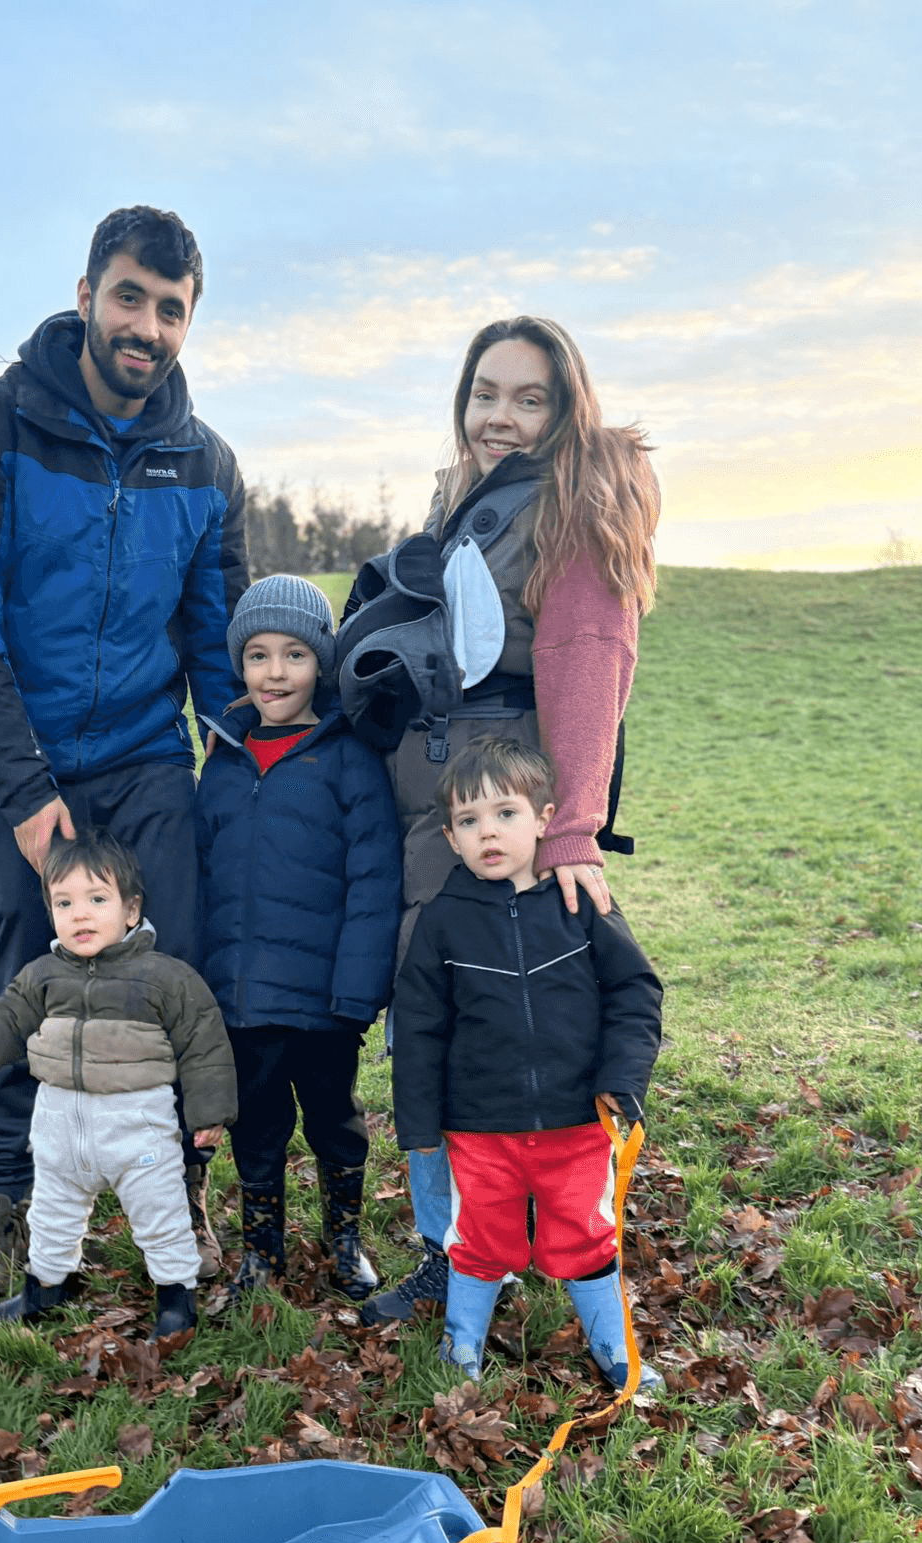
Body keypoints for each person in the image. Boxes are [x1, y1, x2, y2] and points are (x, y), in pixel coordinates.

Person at [0, 204, 248, 1302]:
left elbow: (217, 644)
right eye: (129, 297)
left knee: (170, 980)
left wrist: (249, 770)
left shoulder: (206, 464)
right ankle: (4, 1198)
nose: (146, 327)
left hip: (145, 765)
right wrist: (23, 792)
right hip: (11, 768)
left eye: (172, 310)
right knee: (27, 985)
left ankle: (177, 1191)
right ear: (86, 295)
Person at [355, 315, 659, 1326]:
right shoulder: (470, 500)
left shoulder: (575, 501)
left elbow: (586, 668)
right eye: (486, 393)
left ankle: (513, 1242)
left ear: (565, 410)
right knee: (431, 1017)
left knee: (492, 1022)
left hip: (500, 812)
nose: (502, 416)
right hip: (433, 809)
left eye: (530, 399)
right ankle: (465, 1245)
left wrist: (569, 832)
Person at [392, 738, 663, 1383]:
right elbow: (420, 1030)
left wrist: (622, 1079)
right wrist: (420, 1126)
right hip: (479, 1127)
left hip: (577, 1120)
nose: (487, 832)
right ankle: (462, 1345)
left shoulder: (582, 904)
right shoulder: (441, 922)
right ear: (451, 838)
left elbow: (635, 991)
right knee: (481, 1237)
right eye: (468, 821)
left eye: (505, 813)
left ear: (544, 819)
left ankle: (613, 1346)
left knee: (585, 1232)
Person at [195, 576, 401, 1299]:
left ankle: (344, 1239)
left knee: (334, 1120)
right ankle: (262, 1251)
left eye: (294, 655)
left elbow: (375, 882)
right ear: (240, 665)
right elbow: (202, 877)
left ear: (322, 663)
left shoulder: (348, 758)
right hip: (242, 998)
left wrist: (357, 992)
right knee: (256, 1125)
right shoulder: (223, 761)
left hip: (323, 1001)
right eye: (257, 655)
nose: (275, 673)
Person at [0, 831, 237, 1340]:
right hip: (59, 1127)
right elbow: (10, 1015)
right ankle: (46, 1286)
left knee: (161, 1216)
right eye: (64, 903)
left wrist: (209, 1112)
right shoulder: (43, 976)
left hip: (137, 1131)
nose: (80, 914)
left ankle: (176, 1300)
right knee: (52, 1215)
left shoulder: (164, 978)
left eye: (97, 900)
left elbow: (203, 1042)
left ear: (131, 910)